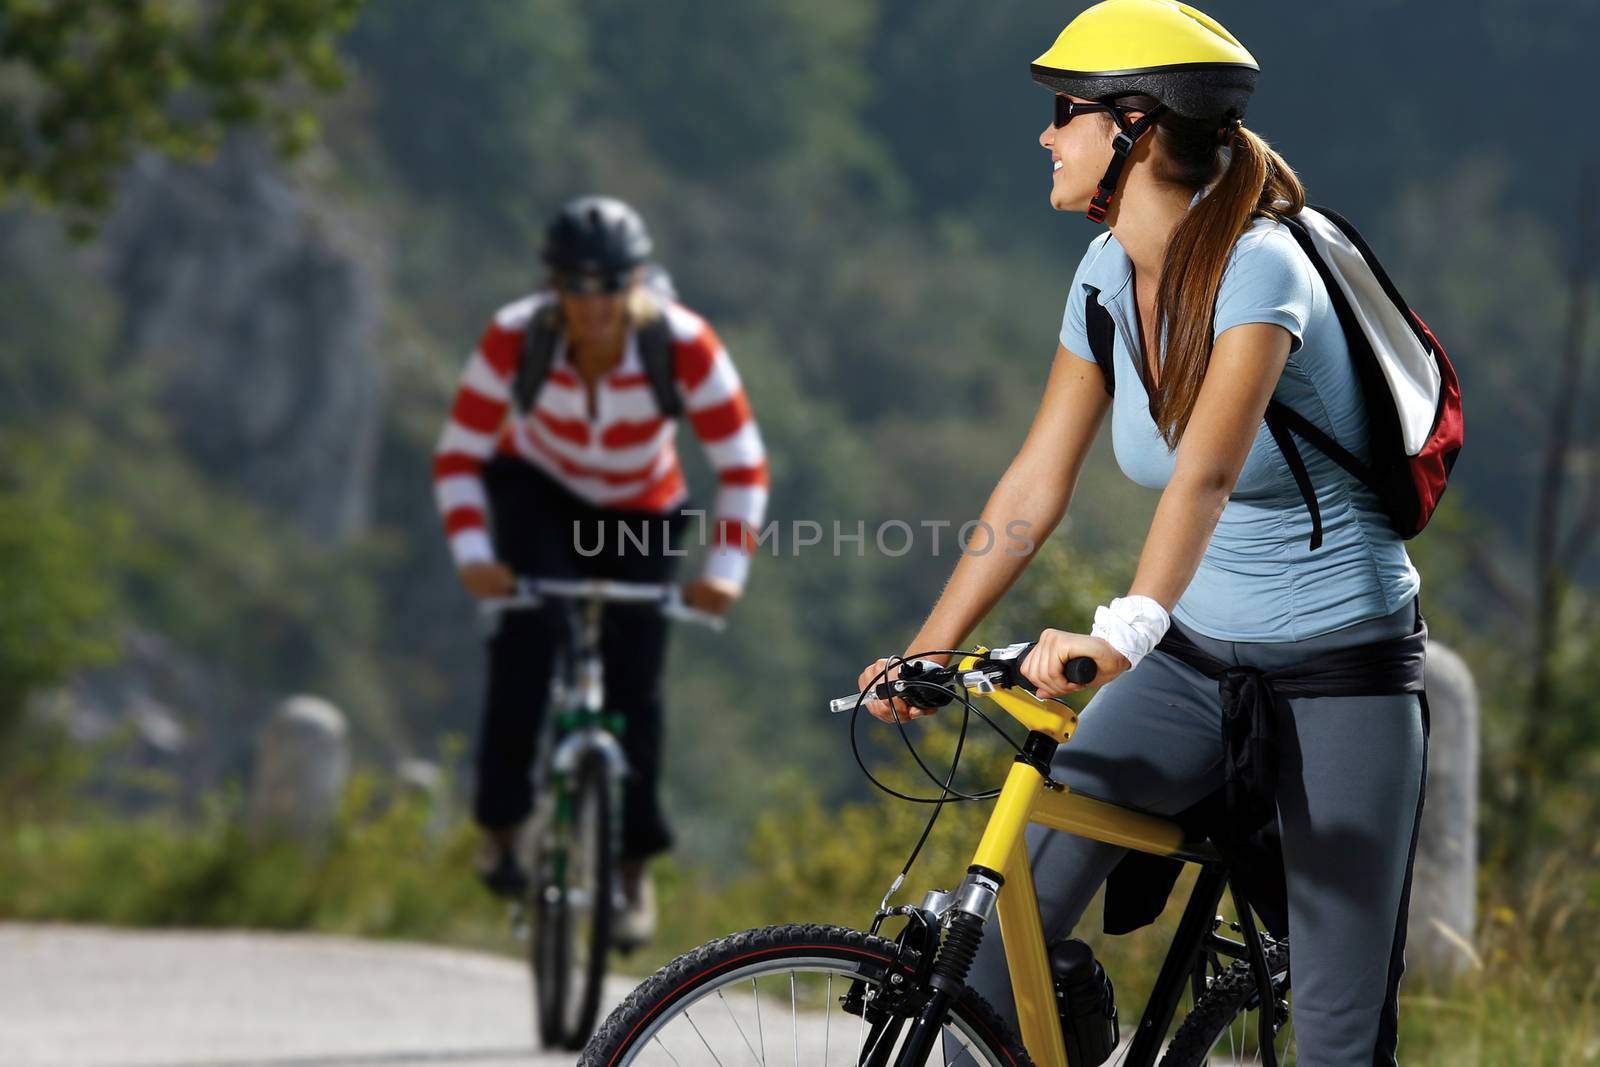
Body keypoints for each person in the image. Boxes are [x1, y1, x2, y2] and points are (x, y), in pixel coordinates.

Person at [858, 1, 1428, 1063]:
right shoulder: (1103, 277)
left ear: (1138, 128)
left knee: (1340, 1033)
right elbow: (1035, 479)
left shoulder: (1264, 268)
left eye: (1063, 113)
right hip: (1193, 663)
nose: (1045, 134)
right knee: (992, 933)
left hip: (1337, 673)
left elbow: (1205, 475)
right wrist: (930, 642)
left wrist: (1117, 634)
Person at [435, 195, 768, 943]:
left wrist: (724, 570)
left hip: (643, 505)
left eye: (610, 289)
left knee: (637, 684)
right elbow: (460, 456)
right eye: (576, 291)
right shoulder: (515, 339)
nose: (593, 310)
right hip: (538, 492)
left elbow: (741, 464)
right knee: (524, 646)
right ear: (553, 287)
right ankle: (500, 822)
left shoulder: (683, 344)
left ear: (637, 284)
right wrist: (478, 558)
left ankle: (631, 866)